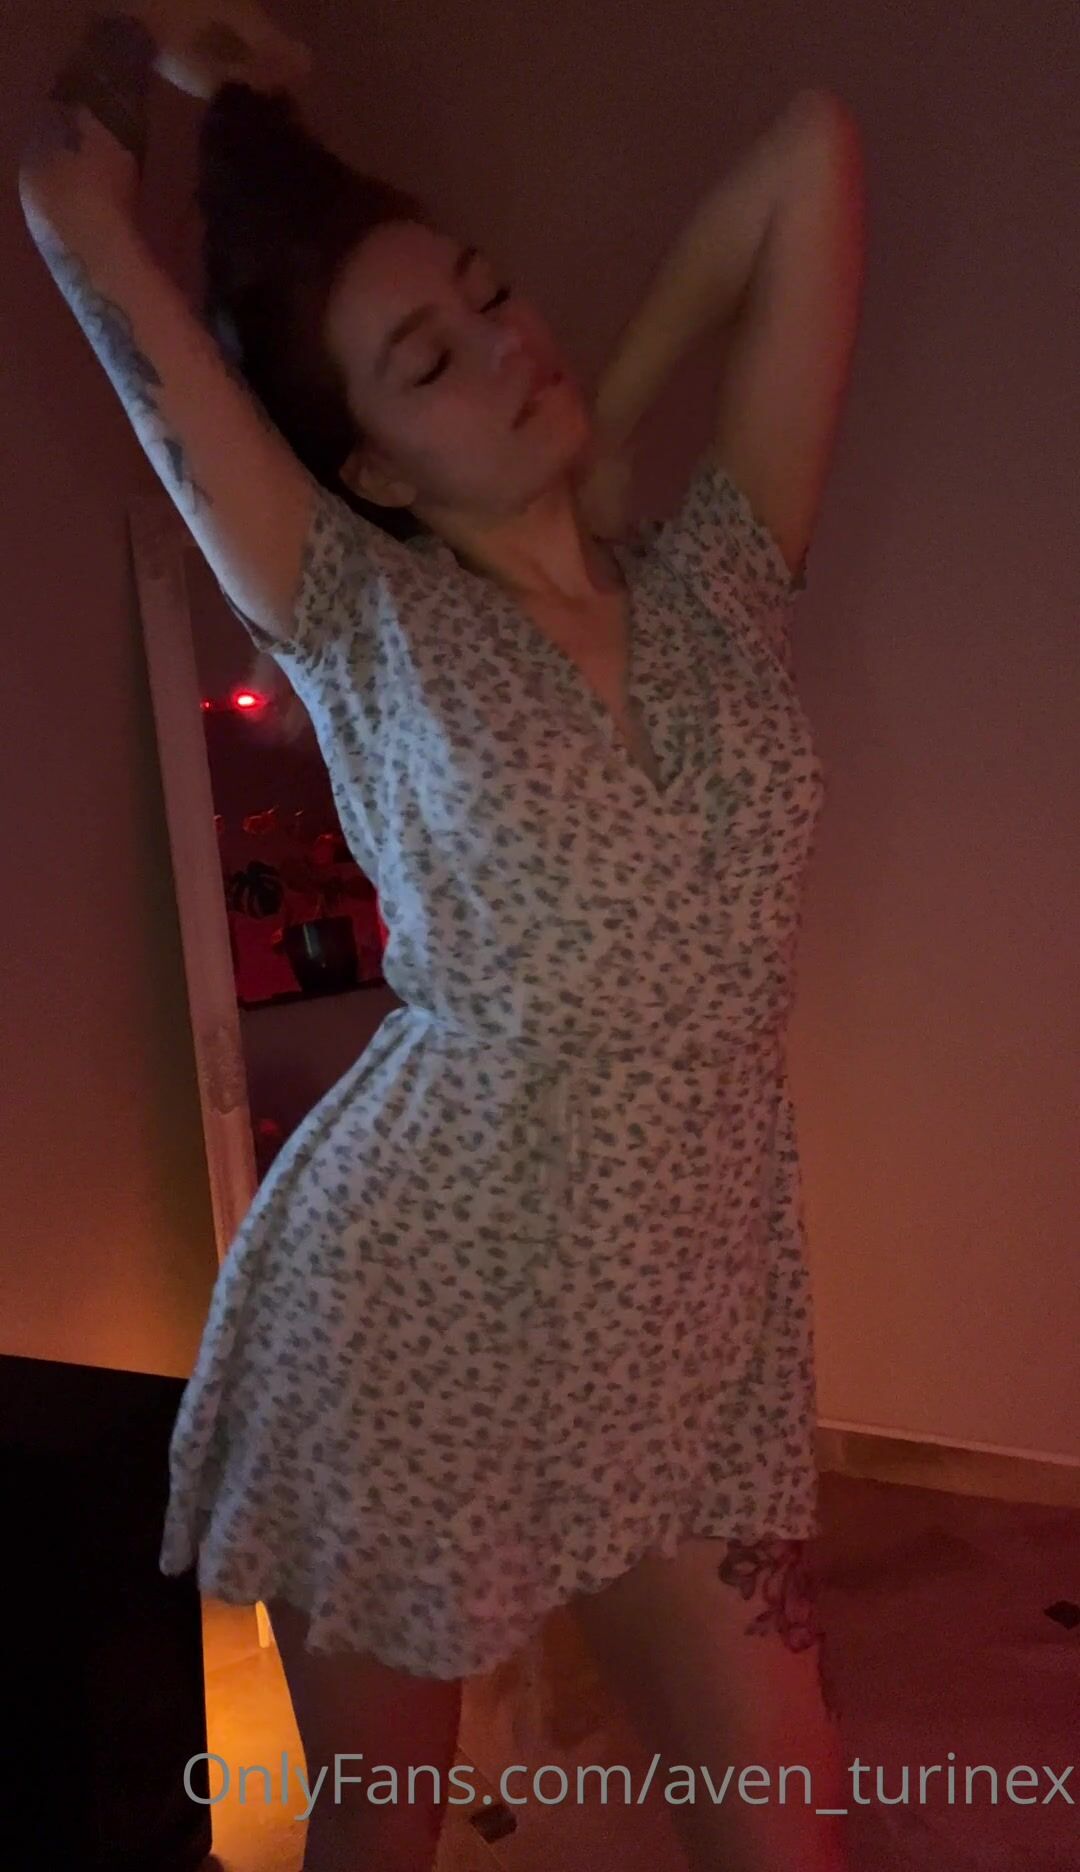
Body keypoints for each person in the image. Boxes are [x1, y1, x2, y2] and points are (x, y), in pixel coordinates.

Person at [19, 7, 865, 1869]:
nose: (506, 345)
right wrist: (144, 38)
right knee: (379, 1839)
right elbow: (69, 205)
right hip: (419, 1329)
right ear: (380, 469)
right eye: (429, 358)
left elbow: (811, 152)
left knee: (786, 1832)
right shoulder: (357, 609)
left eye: (490, 298)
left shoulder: (721, 577)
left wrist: (615, 418)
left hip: (695, 1327)